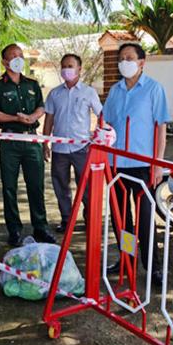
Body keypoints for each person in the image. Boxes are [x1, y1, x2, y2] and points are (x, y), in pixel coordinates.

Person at [102, 42, 169, 283]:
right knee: (121, 218)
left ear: (142, 63)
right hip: (116, 163)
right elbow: (107, 123)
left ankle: (153, 266)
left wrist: (158, 163)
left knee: (145, 220)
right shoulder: (115, 91)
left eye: (129, 58)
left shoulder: (154, 89)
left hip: (142, 164)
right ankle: (126, 259)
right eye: (121, 58)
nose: (124, 62)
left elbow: (161, 127)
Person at [0, 43, 56, 247]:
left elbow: (41, 107)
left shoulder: (32, 83)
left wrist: (32, 116)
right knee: (9, 187)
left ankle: (40, 226)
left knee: (36, 185)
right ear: (5, 62)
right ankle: (14, 229)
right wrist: (15, 118)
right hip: (10, 141)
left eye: (20, 55)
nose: (18, 58)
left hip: (31, 139)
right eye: (13, 56)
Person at [43, 53, 102, 233]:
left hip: (82, 149)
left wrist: (98, 137)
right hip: (59, 149)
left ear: (79, 69)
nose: (67, 69)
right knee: (61, 186)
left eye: (71, 66)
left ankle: (90, 220)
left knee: (86, 187)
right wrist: (45, 143)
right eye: (64, 66)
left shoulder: (89, 92)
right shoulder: (54, 94)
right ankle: (67, 220)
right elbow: (49, 119)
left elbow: (102, 115)